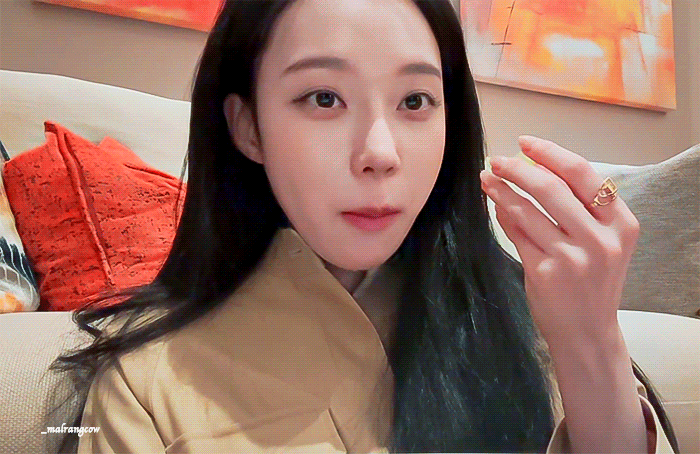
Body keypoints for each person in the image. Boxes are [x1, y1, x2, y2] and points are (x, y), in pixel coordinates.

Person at [49, 0, 679, 452]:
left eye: (415, 101)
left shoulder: (530, 321)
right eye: (324, 98)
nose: (380, 152)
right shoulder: (147, 383)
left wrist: (592, 339)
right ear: (248, 128)